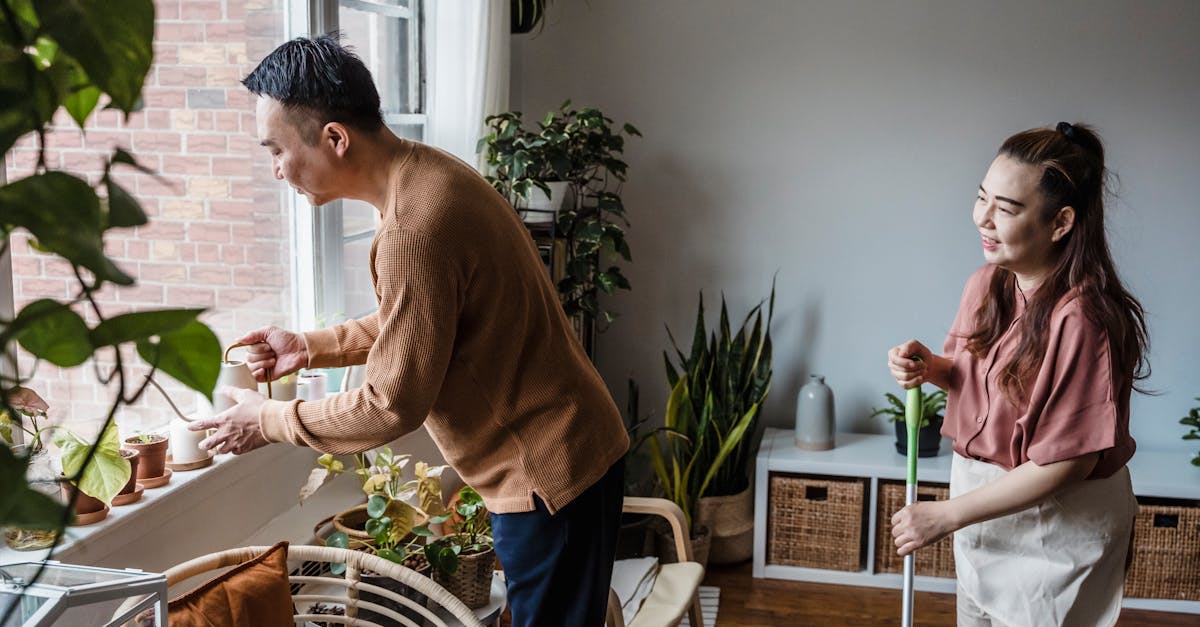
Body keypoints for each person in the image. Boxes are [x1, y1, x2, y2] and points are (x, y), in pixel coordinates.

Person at [189, 34, 629, 626]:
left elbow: (391, 405)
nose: (274, 171)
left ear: (335, 139)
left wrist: (267, 421)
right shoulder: (429, 174)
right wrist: (309, 347)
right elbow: (423, 324)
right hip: (573, 453)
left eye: (275, 150)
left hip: (548, 476)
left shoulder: (412, 228)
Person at [886, 122, 1148, 626]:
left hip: (1054, 528)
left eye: (1006, 209)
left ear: (1060, 222)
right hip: (983, 509)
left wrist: (944, 515)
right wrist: (932, 367)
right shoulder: (986, 285)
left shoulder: (1083, 318)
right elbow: (983, 383)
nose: (983, 219)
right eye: (981, 198)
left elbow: (1065, 463)